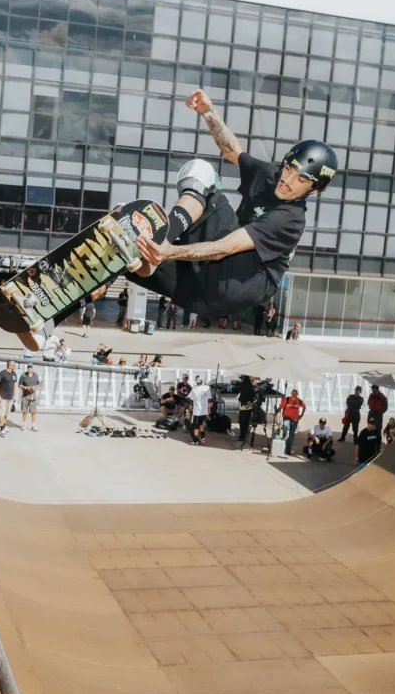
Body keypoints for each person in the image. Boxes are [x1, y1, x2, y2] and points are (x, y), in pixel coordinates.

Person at [133, 89, 338, 325]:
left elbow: (226, 247)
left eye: (301, 180)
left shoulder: (291, 219)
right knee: (135, 260)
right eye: (289, 169)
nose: (287, 181)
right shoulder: (269, 175)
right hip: (201, 292)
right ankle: (133, 259)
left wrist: (169, 251)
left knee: (201, 173)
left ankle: (161, 241)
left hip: (237, 281)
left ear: (314, 189)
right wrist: (208, 112)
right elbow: (232, 151)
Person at [277, 388, 306, 456]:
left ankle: (288, 449)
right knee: (286, 426)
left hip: (295, 419)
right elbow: (281, 407)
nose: (294, 395)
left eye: (295, 394)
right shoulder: (286, 399)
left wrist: (301, 415)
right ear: (291, 394)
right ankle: (284, 435)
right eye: (293, 393)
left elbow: (304, 407)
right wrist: (276, 412)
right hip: (287, 417)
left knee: (291, 435)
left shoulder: (299, 401)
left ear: (297, 394)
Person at [0, 360, 17, 437]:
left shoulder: (14, 374)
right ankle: (1, 429)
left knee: (6, 413)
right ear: (9, 365)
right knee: (1, 413)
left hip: (10, 398)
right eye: (13, 365)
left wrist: (14, 395)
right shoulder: (2, 373)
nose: (15, 366)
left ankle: (4, 426)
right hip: (2, 397)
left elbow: (14, 385)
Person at [189, 375, 212, 445]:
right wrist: (209, 409)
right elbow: (209, 400)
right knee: (201, 423)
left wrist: (191, 406)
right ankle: (202, 437)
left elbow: (191, 399)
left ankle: (195, 439)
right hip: (204, 410)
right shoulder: (207, 388)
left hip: (197, 410)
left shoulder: (194, 389)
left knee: (195, 425)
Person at [19, 365, 40, 432]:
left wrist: (35, 387)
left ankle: (33, 426)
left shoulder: (36, 375)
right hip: (25, 396)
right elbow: (19, 385)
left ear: (33, 368)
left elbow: (38, 384)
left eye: (30, 367)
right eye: (28, 367)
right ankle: (24, 425)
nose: (29, 368)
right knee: (24, 411)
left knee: (33, 411)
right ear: (27, 368)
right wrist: (25, 387)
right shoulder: (23, 375)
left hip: (33, 396)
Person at [237, 375, 256, 447]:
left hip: (244, 406)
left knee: (243, 421)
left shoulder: (245, 386)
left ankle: (242, 436)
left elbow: (242, 397)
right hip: (247, 406)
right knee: (245, 422)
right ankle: (243, 436)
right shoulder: (249, 386)